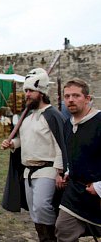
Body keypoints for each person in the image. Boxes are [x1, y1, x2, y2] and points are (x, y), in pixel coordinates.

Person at [1, 68, 67, 241]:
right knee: (34, 211)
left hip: (48, 169)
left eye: (31, 91)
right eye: (26, 91)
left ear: (41, 92)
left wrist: (60, 171)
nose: (27, 95)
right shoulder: (28, 117)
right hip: (28, 171)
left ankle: (52, 238)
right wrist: (12, 143)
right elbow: (24, 139)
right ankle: (43, 238)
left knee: (42, 206)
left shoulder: (53, 115)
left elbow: (61, 145)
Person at [55, 78, 101, 241]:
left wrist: (99, 187)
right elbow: (73, 153)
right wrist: (69, 170)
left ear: (88, 99)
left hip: (97, 194)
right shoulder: (68, 124)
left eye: (76, 95)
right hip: (75, 193)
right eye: (67, 96)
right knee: (63, 230)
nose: (71, 100)